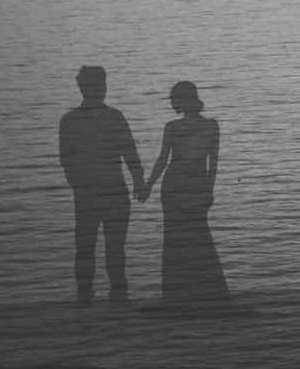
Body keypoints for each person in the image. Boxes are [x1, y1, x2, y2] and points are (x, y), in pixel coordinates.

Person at [59, 65, 145, 305]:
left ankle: (87, 298)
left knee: (87, 248)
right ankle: (116, 296)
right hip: (111, 192)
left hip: (92, 193)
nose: (103, 89)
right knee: (113, 249)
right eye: (101, 84)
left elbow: (66, 161)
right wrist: (138, 179)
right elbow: (130, 153)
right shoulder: (112, 116)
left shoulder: (70, 120)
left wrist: (79, 186)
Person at [144, 81, 229, 303]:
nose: (172, 103)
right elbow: (213, 163)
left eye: (174, 99)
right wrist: (209, 190)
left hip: (176, 186)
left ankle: (179, 295)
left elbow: (163, 160)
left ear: (182, 100)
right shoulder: (210, 126)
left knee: (179, 240)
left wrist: (149, 184)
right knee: (196, 237)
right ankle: (205, 293)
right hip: (192, 184)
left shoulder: (174, 127)